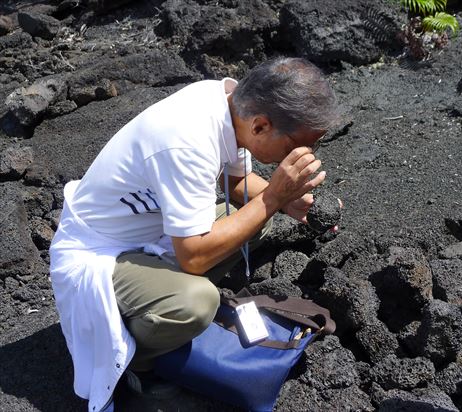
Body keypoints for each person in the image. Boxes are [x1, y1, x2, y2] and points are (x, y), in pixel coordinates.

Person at [49, 57, 340, 412]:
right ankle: (139, 363)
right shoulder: (186, 139)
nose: (304, 154)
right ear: (261, 125)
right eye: (301, 144)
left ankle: (156, 309)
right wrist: (275, 195)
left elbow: (234, 181)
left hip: (147, 233)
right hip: (99, 251)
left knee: (257, 216)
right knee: (197, 302)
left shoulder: (227, 106)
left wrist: (288, 203)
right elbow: (194, 257)